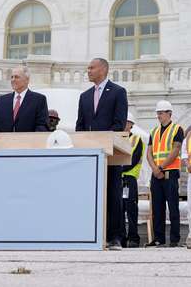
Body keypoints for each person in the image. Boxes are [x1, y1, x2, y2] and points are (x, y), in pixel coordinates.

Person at [75, 57, 128, 250]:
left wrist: (103, 141)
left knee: (113, 195)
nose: (88, 70)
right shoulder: (85, 96)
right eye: (87, 67)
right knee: (92, 195)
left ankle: (115, 237)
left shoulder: (118, 92)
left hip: (110, 154)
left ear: (103, 70)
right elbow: (80, 125)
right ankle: (92, 233)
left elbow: (118, 123)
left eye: (91, 67)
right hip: (89, 156)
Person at [147, 100, 184, 247]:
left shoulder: (177, 129)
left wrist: (160, 167)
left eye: (161, 113)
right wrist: (155, 169)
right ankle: (158, 239)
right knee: (157, 207)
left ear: (169, 113)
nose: (159, 116)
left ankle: (174, 240)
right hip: (156, 173)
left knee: (173, 206)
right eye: (157, 113)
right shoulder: (154, 132)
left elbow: (175, 150)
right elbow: (148, 153)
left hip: (170, 172)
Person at [0, 66, 49, 132]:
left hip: (28, 141)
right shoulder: (1, 100)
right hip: (4, 141)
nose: (13, 80)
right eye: (12, 77)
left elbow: (41, 126)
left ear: (27, 80)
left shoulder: (39, 100)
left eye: (16, 77)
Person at [120, 112, 145, 248]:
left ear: (131, 125)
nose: (124, 125)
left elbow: (134, 159)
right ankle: (121, 238)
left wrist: (120, 169)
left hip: (129, 179)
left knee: (131, 209)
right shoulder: (117, 138)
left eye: (127, 122)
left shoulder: (136, 139)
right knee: (119, 210)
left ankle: (134, 238)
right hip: (118, 180)